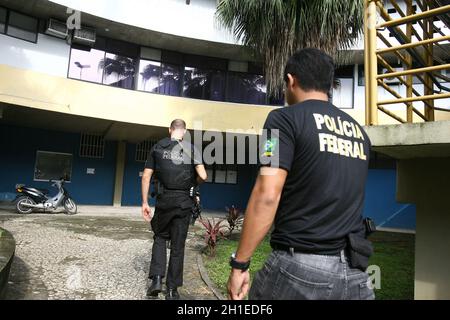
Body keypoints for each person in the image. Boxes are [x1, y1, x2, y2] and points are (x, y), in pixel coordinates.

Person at [227, 48, 374, 300]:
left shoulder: (281, 121)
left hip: (300, 274)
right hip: (356, 275)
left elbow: (267, 194)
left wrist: (240, 264)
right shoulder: (359, 133)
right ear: (329, 85)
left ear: (291, 81)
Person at [141, 119, 207, 300]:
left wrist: (145, 202)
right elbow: (203, 175)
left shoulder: (158, 147)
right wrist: (193, 186)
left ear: (170, 130)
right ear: (184, 132)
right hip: (184, 202)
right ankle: (172, 291)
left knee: (160, 237)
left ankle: (156, 280)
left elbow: (146, 176)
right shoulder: (191, 149)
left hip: (164, 201)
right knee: (178, 245)